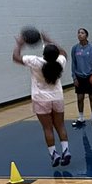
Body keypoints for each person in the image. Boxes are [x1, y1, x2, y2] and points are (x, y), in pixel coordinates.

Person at [12, 27, 70, 166]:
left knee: (47, 128)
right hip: (57, 97)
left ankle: (54, 154)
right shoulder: (60, 62)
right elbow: (63, 52)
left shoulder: (35, 61)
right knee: (60, 126)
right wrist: (49, 39)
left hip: (40, 99)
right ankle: (66, 150)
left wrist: (20, 44)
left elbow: (15, 58)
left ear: (43, 53)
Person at [69, 27, 92, 128]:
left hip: (90, 75)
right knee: (80, 98)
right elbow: (73, 64)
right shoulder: (75, 48)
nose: (80, 34)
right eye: (78, 33)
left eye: (82, 33)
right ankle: (81, 118)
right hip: (79, 76)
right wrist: (74, 77)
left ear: (86, 35)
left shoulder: (91, 48)